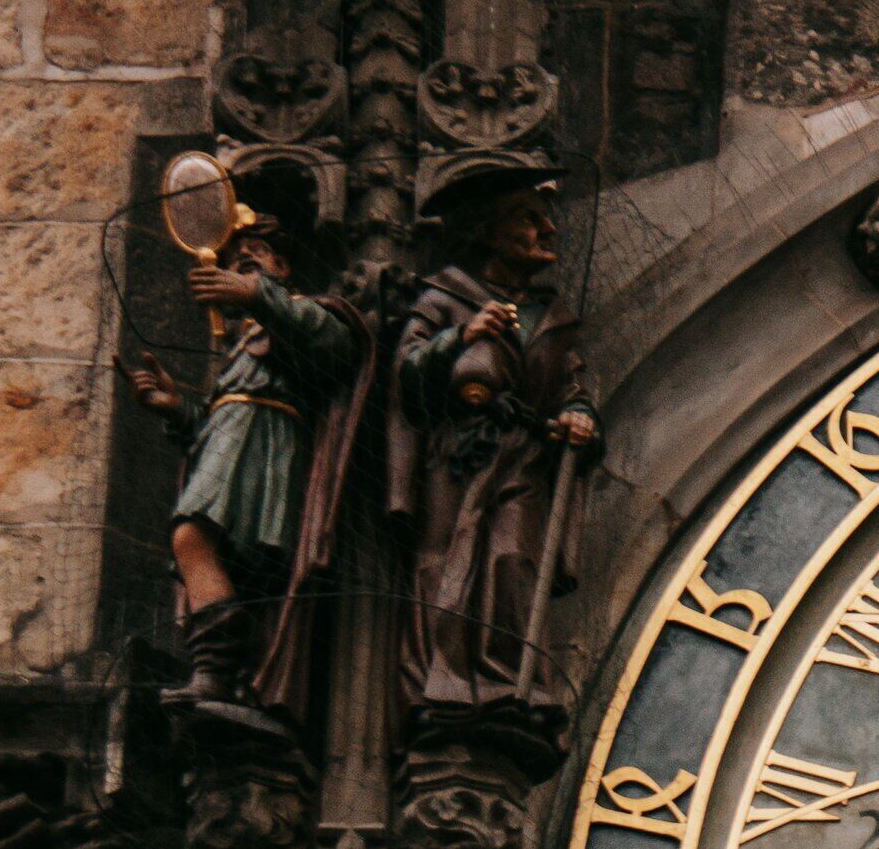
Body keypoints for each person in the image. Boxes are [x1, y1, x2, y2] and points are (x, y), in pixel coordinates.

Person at [118, 213, 366, 722]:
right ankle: (223, 674)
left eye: (257, 250)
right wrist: (176, 410)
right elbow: (214, 427)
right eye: (234, 256)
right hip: (234, 446)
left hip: (269, 446)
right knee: (214, 554)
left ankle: (218, 668)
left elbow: (336, 344)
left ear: (284, 266)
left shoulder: (302, 314)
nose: (243, 257)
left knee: (192, 537)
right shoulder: (240, 345)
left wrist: (255, 294)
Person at [390, 165, 599, 723]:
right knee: (442, 561)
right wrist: (462, 335)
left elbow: (572, 387)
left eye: (545, 218)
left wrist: (578, 416)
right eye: (529, 218)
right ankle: (437, 682)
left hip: (524, 458)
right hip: (457, 454)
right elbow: (405, 371)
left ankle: (507, 680)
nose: (548, 230)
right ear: (488, 231)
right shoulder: (444, 298)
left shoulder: (549, 318)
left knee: (513, 559)